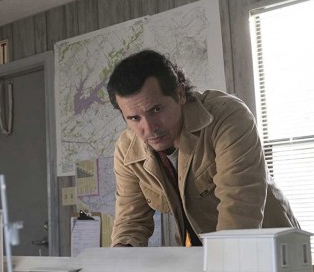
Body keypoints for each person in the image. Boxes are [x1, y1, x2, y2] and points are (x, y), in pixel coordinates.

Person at [106, 49, 298, 247]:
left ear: (180, 94)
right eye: (134, 118)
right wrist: (119, 257)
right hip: (204, 253)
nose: (149, 128)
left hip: (269, 248)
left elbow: (239, 207)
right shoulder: (126, 149)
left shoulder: (227, 116)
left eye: (156, 109)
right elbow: (130, 223)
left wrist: (221, 263)